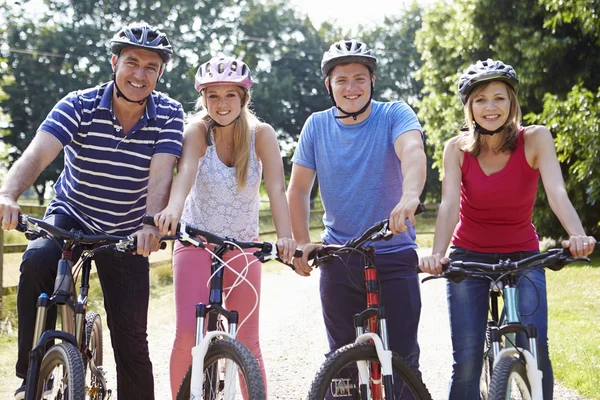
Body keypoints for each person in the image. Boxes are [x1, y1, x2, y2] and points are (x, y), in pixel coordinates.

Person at [0, 23, 184, 399]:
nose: (140, 74)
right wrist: (8, 194)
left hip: (128, 229)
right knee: (36, 260)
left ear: (160, 73)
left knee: (132, 340)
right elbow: (38, 153)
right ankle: (31, 376)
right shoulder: (78, 104)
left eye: (151, 67)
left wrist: (150, 223)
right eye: (132, 62)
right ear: (114, 63)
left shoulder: (168, 113)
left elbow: (161, 173)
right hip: (72, 214)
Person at [418, 58, 597, 400]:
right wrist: (438, 256)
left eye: (499, 98)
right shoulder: (456, 149)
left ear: (512, 102)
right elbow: (449, 206)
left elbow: (557, 192)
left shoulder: (536, 139)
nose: (490, 107)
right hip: (469, 257)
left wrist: (577, 235)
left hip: (523, 255)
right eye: (481, 99)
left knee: (535, 347)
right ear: (469, 107)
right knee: (467, 361)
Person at [288, 39, 427, 395]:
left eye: (360, 79)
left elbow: (412, 150)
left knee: (403, 359)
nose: (351, 88)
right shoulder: (316, 126)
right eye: (342, 80)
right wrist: (302, 241)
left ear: (372, 82)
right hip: (339, 256)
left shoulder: (395, 114)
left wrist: (409, 196)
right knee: (341, 362)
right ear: (329, 86)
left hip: (394, 253)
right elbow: (299, 188)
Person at [153, 55, 297, 399]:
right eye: (213, 96)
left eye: (230, 95)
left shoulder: (261, 135)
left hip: (243, 245)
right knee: (187, 334)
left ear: (243, 97)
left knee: (247, 338)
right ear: (203, 99)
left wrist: (286, 237)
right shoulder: (197, 129)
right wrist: (172, 209)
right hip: (195, 240)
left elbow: (277, 189)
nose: (221, 104)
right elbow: (185, 172)